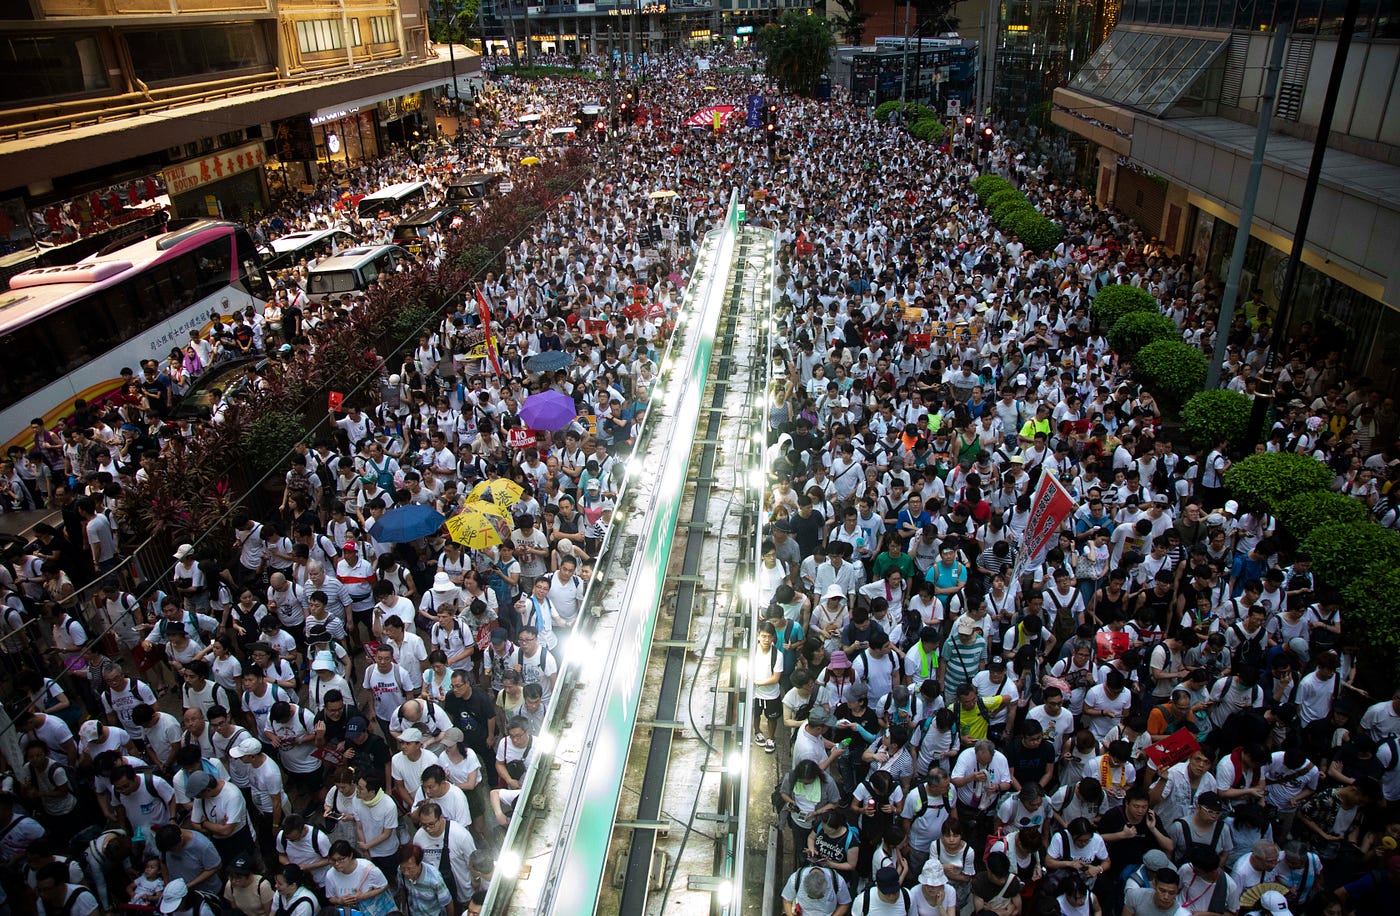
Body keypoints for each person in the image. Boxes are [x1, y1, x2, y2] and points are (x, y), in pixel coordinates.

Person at [322, 840, 394, 916]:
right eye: (333, 860)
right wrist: (340, 901)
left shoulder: (369, 869)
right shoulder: (330, 875)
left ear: (350, 856)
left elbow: (384, 886)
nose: (336, 864)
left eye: (341, 859)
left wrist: (363, 896)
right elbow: (330, 897)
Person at [397, 844, 454, 916]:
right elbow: (403, 890)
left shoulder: (435, 879)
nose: (406, 873)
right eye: (403, 868)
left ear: (419, 863)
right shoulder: (400, 871)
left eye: (410, 868)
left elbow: (448, 903)